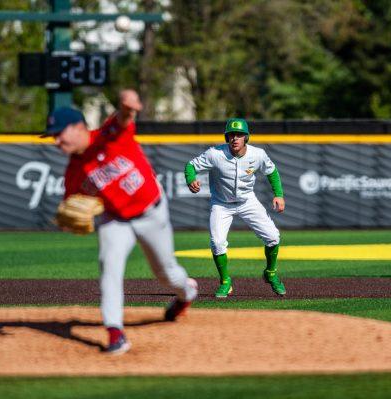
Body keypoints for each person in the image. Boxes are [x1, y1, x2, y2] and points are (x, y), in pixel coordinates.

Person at [43, 90, 198, 355]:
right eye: (53, 136)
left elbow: (123, 119)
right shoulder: (73, 172)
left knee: (166, 273)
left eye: (60, 133)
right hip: (116, 220)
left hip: (151, 212)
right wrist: (66, 221)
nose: (56, 141)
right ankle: (115, 331)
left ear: (79, 127)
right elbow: (69, 207)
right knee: (109, 266)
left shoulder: (107, 136)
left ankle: (187, 293)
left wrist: (128, 106)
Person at [184, 118, 286, 298]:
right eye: (231, 135)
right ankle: (225, 282)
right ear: (227, 137)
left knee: (272, 237)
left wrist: (278, 194)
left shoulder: (258, 155)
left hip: (247, 201)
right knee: (217, 243)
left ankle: (271, 273)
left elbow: (272, 171)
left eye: (239, 135)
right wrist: (191, 179)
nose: (235, 138)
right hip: (221, 204)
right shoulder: (215, 154)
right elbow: (191, 165)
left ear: (246, 137)